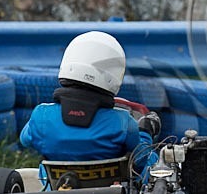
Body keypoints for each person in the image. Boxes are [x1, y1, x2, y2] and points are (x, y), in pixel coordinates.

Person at [20, 31, 160, 179]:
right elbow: (140, 159)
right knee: (152, 158)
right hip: (110, 190)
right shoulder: (124, 122)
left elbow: (25, 140)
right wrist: (145, 132)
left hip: (56, 187)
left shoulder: (41, 115)